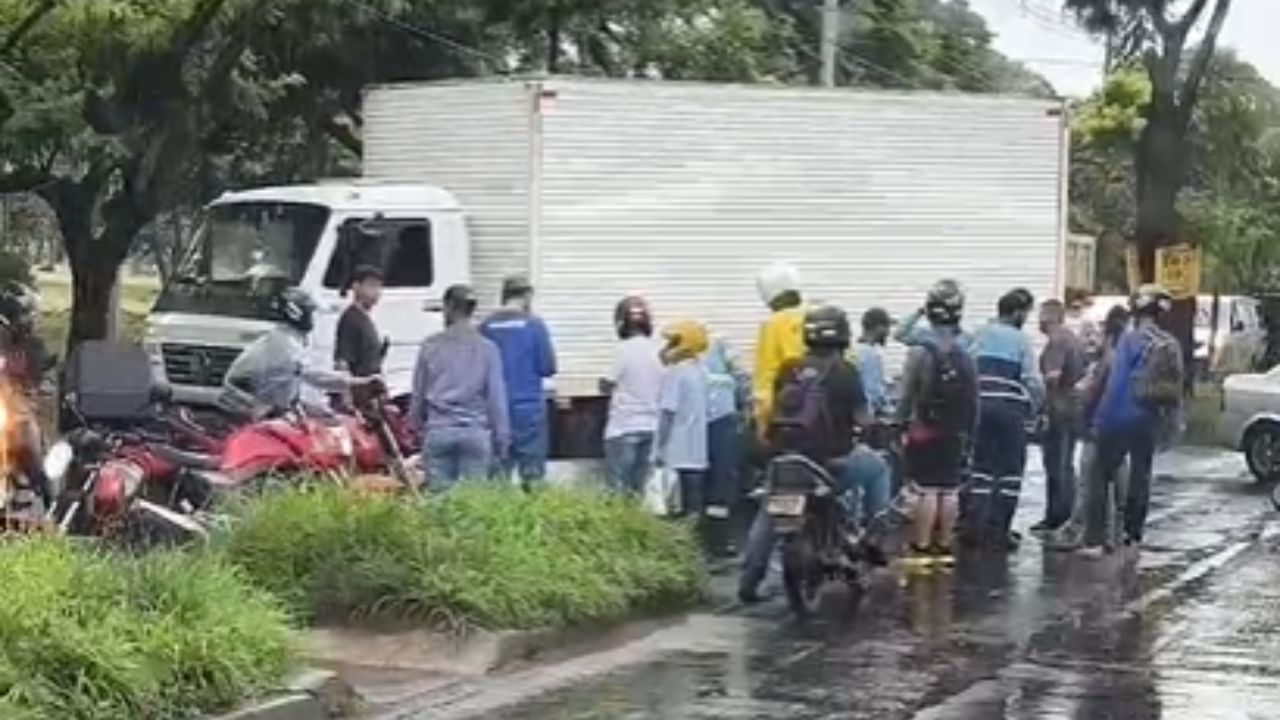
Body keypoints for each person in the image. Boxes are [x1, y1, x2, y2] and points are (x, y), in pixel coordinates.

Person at [738, 305, 893, 603]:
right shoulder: (846, 372)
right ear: (843, 336)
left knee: (771, 508)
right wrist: (879, 429)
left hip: (783, 459)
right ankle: (875, 536)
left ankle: (749, 581)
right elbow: (863, 419)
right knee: (879, 467)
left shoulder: (789, 369)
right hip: (830, 463)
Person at [1080, 285, 1184, 559]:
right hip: (1145, 417)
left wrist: (1089, 412)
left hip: (1113, 415)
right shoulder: (1169, 344)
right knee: (1141, 476)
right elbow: (1174, 389)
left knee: (1100, 474)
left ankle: (1095, 541)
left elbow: (1107, 378)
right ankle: (1131, 537)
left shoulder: (1124, 340)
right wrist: (1173, 423)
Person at [895, 280, 979, 567]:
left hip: (924, 427)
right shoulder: (967, 345)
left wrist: (898, 422)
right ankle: (944, 546)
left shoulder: (920, 346)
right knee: (950, 488)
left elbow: (907, 392)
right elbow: (973, 393)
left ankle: (921, 546)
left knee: (926, 488)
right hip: (955, 428)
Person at [962, 289, 1044, 551]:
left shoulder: (980, 333)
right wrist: (1037, 409)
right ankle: (999, 531)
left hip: (980, 406)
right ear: (1018, 312)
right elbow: (1032, 380)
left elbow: (965, 365)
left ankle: (975, 528)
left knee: (981, 467)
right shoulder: (1021, 340)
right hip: (1010, 409)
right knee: (1010, 471)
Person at [408, 284, 510, 489]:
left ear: (448, 308)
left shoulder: (431, 346)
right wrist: (502, 439)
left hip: (439, 433)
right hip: (475, 434)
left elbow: (418, 394)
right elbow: (496, 398)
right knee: (470, 505)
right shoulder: (488, 349)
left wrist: (415, 428)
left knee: (438, 503)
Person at [1045, 304, 1129, 551]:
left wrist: (1078, 397)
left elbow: (1091, 390)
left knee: (1090, 482)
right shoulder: (1128, 354)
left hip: (1100, 426)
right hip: (1122, 425)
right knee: (1119, 480)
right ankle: (1119, 534)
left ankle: (1084, 534)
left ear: (1108, 331)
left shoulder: (1109, 359)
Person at [225, 288, 375, 415]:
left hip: (265, 403)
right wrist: (356, 383)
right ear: (297, 313)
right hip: (244, 402)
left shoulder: (291, 339)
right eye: (310, 313)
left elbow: (293, 385)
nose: (313, 320)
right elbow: (313, 375)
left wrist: (317, 410)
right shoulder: (283, 342)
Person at [480, 275, 557, 489]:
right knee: (532, 476)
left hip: (495, 409)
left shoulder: (486, 326)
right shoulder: (534, 325)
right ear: (526, 296)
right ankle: (533, 519)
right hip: (528, 408)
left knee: (497, 477)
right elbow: (547, 367)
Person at [1031, 299, 1087, 534]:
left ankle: (1058, 515)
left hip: (1059, 408)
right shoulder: (1072, 339)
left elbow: (1052, 377)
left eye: (1041, 316)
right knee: (1065, 462)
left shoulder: (1057, 342)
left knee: (1056, 463)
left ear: (1049, 317)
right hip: (1073, 408)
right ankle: (1064, 513)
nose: (1038, 321)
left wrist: (1043, 405)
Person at [601, 296, 664, 496]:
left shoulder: (621, 350)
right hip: (653, 427)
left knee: (617, 492)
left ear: (620, 323)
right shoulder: (659, 351)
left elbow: (605, 385)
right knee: (641, 492)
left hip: (623, 428)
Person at [0, 281, 53, 503]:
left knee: (31, 440)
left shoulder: (35, 346)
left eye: (24, 315)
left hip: (20, 410)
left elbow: (38, 382)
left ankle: (46, 495)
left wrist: (32, 395)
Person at [656, 321, 711, 522]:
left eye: (672, 343)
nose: (666, 349)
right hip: (698, 453)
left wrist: (658, 448)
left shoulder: (676, 372)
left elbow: (667, 413)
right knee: (694, 509)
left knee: (675, 513)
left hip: (677, 453)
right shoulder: (702, 371)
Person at [751, 262, 807, 439]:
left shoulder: (772, 326)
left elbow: (765, 383)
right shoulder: (819, 317)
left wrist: (761, 428)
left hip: (786, 422)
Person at [703, 334, 747, 556]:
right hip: (724, 423)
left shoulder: (692, 366)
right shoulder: (727, 370)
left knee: (702, 484)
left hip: (698, 426)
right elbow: (742, 384)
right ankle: (720, 542)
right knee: (722, 485)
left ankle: (703, 541)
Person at [333, 265, 385, 409]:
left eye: (379, 287)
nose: (377, 292)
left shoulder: (365, 318)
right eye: (372, 286)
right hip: (359, 397)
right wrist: (346, 397)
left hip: (371, 395)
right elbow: (343, 361)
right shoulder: (350, 319)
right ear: (356, 287)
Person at [855, 307, 894, 417]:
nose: (888, 332)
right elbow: (872, 392)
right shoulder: (869, 354)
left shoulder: (856, 349)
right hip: (870, 416)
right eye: (887, 327)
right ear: (879, 328)